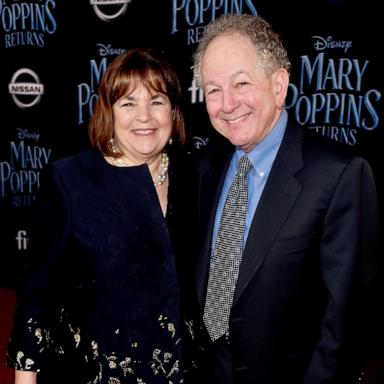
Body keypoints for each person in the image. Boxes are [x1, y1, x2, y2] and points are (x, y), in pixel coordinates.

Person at [191, 13, 380, 384]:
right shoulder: (204, 168)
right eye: (213, 90)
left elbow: (345, 325)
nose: (227, 104)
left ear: (278, 85)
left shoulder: (339, 174)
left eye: (241, 83)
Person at [7, 48, 196, 384]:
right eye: (128, 103)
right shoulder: (71, 181)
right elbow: (37, 298)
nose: (144, 116)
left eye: (156, 101)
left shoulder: (197, 176)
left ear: (173, 110)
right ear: (108, 112)